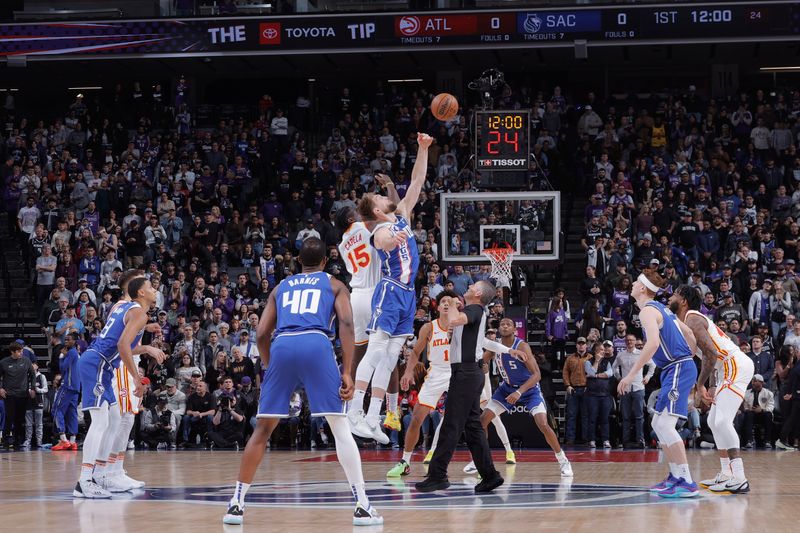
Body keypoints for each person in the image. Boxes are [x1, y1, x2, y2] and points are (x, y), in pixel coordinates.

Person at [223, 238, 381, 526]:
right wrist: (347, 371)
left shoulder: (281, 287)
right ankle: (362, 505)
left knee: (263, 429)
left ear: (298, 260)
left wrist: (271, 365)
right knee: (339, 425)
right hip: (316, 343)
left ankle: (236, 504)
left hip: (282, 345)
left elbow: (260, 334)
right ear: (324, 262)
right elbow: (346, 324)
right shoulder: (334, 284)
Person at [348, 134, 432, 444]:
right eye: (382, 198)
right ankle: (355, 413)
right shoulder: (380, 230)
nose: (387, 197)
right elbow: (381, 241)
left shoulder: (401, 216)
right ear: (378, 212)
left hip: (408, 296)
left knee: (391, 356)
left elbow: (417, 182)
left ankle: (372, 419)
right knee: (376, 351)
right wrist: (390, 239)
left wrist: (423, 148)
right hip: (390, 291)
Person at [72, 277, 158, 498]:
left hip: (101, 364)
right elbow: (121, 346)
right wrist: (137, 380)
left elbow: (123, 344)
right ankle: (84, 481)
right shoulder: (138, 312)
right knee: (100, 423)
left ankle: (101, 475)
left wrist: (147, 348)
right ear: (140, 292)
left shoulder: (132, 310)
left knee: (116, 419)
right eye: (150, 286)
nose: (154, 289)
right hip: (97, 363)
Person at [416, 280, 504, 494]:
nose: (469, 286)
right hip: (469, 373)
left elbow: (454, 320)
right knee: (472, 427)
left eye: (473, 285)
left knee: (451, 425)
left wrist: (452, 303)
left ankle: (438, 475)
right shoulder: (475, 311)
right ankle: (490, 475)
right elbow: (454, 327)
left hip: (465, 374)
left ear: (478, 293)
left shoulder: (474, 308)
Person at [617, 271, 699, 498]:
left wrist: (630, 375)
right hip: (677, 367)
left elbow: (652, 344)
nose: (632, 284)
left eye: (635, 281)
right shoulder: (663, 308)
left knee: (665, 425)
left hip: (677, 368)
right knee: (658, 422)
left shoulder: (647, 311)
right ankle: (675, 476)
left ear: (642, 288)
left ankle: (687, 481)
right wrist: (689, 356)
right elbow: (690, 332)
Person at [669, 284, 754, 494]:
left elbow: (712, 355)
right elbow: (712, 355)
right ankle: (726, 474)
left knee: (723, 421)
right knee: (712, 421)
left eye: (675, 294)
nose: (671, 297)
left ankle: (740, 477)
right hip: (725, 368)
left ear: (684, 300)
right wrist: (713, 384)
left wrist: (700, 385)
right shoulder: (686, 320)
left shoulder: (692, 319)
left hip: (733, 364)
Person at [338, 173, 402, 435]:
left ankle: (352, 411)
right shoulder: (365, 227)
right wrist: (388, 186)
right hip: (378, 293)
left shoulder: (343, 243)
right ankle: (390, 412)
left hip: (357, 296)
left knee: (360, 356)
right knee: (388, 354)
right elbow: (395, 210)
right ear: (352, 219)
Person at [479, 317, 573, 477]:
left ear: (515, 329)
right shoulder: (496, 347)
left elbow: (537, 375)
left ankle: (563, 459)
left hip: (529, 391)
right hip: (506, 389)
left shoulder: (522, 346)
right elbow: (481, 362)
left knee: (543, 424)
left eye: (508, 324)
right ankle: (481, 461)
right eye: (502, 324)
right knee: (482, 421)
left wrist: (519, 392)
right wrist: (480, 368)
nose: (504, 326)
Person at [387, 290, 457, 477]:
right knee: (417, 417)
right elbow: (416, 352)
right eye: (443, 301)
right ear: (438, 305)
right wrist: (408, 372)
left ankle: (479, 463)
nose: (445, 304)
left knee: (472, 418)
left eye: (450, 301)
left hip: (458, 373)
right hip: (436, 373)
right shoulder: (429, 327)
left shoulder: (461, 325)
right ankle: (405, 462)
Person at [611, 334, 655, 448]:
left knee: (639, 416)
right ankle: (625, 441)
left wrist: (648, 377)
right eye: (628, 340)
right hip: (625, 389)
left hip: (638, 387)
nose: (629, 342)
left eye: (631, 340)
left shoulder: (641, 354)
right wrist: (619, 378)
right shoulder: (621, 355)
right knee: (625, 416)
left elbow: (652, 365)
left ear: (635, 341)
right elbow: (614, 367)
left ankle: (640, 440)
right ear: (625, 342)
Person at [0, 342, 36, 449]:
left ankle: (17, 440)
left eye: (22, 351)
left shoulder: (26, 361)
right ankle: (5, 439)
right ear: (12, 352)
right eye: (19, 351)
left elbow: (33, 375)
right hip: (9, 394)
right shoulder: (3, 362)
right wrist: (1, 388)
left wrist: (33, 388)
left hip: (23, 394)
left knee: (19, 419)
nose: (21, 353)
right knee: (9, 417)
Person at [52, 333, 81, 450]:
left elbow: (63, 367)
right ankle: (73, 441)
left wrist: (61, 356)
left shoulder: (71, 352)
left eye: (68, 340)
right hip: (75, 386)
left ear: (74, 341)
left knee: (56, 409)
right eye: (65, 339)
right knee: (71, 412)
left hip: (68, 386)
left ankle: (63, 439)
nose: (66, 341)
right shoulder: (76, 353)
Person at [562, 337, 590, 444]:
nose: (581, 345)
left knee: (585, 415)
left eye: (583, 344)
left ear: (586, 345)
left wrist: (589, 386)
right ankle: (570, 438)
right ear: (576, 345)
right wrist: (568, 385)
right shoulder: (570, 359)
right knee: (571, 415)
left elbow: (593, 373)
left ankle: (585, 438)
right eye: (579, 343)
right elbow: (565, 373)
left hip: (586, 389)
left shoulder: (591, 358)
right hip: (573, 389)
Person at [742, 374, 774, 449]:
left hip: (763, 414)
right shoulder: (746, 393)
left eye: (756, 381)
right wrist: (748, 409)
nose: (753, 383)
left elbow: (771, 407)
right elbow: (745, 406)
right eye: (752, 381)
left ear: (761, 383)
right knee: (748, 414)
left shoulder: (768, 393)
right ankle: (749, 440)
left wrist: (762, 409)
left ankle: (767, 441)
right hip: (752, 414)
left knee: (768, 414)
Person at [23, 363, 48, 448]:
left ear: (37, 366)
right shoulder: (26, 377)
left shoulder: (42, 377)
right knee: (28, 423)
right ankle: (28, 440)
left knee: (39, 423)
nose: (32, 366)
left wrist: (38, 390)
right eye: (30, 364)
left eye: (34, 364)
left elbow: (45, 389)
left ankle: (39, 441)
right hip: (28, 401)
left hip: (38, 401)